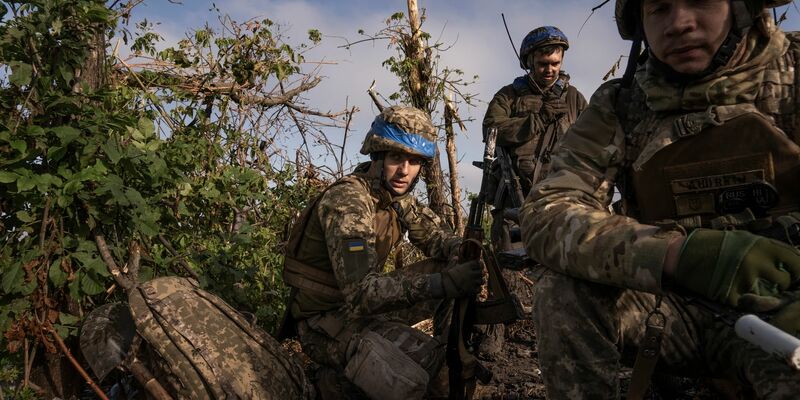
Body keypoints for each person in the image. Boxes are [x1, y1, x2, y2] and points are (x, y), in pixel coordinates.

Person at [520, 0, 800, 398]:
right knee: (562, 291)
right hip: (675, 310)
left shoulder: (793, 72)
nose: (679, 24)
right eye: (660, 8)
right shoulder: (621, 104)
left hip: (783, 315)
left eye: (700, 1)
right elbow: (547, 211)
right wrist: (673, 254)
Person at [280, 106, 483, 400]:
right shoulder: (348, 202)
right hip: (324, 322)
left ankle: (443, 348)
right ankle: (331, 386)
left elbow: (437, 238)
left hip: (361, 308)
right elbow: (362, 294)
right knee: (418, 374)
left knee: (444, 361)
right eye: (396, 157)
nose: (405, 170)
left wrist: (459, 251)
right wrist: (444, 282)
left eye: (414, 161)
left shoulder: (394, 197)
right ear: (377, 156)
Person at [483, 25, 587, 252]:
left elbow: (593, 143)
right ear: (529, 61)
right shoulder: (508, 96)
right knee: (512, 275)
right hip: (515, 203)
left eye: (555, 64)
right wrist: (537, 120)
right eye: (542, 64)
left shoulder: (575, 99)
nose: (549, 70)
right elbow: (490, 131)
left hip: (564, 203)